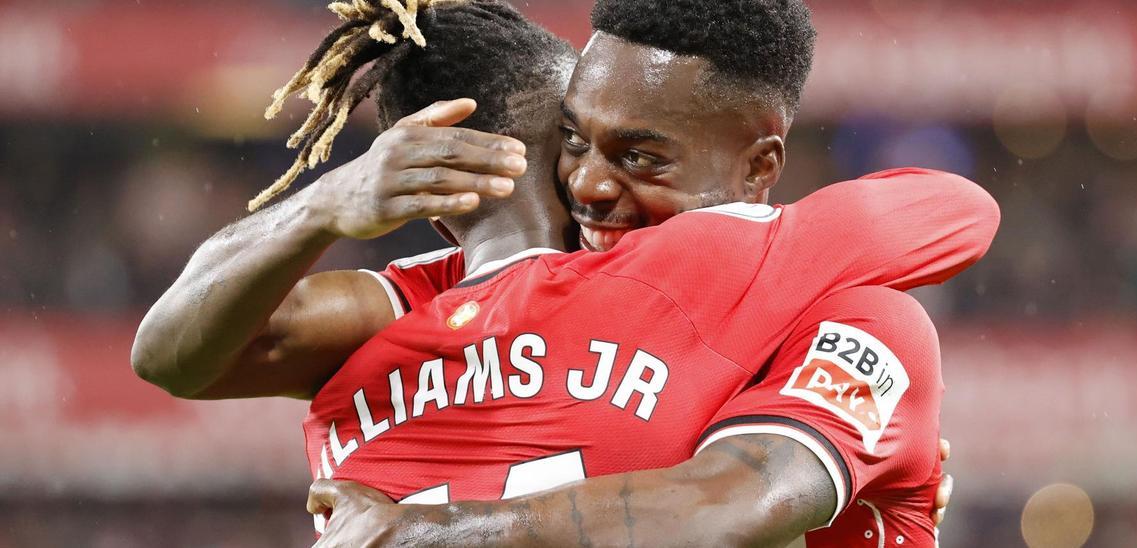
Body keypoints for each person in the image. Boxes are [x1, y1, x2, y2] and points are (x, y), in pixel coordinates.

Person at [129, 1, 991, 545]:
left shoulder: (811, 294)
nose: (587, 185)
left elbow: (747, 495)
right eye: (570, 143)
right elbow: (956, 209)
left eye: (639, 157)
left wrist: (432, 529)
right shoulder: (416, 298)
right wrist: (328, 204)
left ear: (758, 170)